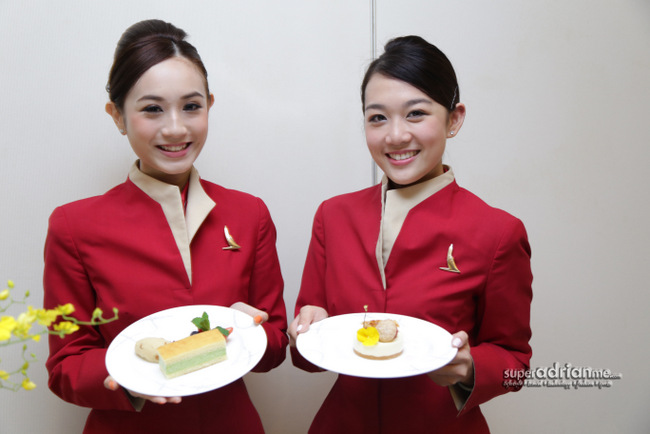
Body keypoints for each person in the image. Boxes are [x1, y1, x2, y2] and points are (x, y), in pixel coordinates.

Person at [44, 19, 287, 434]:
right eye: (152, 108)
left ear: (210, 105)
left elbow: (276, 343)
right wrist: (129, 379)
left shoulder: (250, 214)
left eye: (191, 106)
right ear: (118, 116)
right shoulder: (73, 226)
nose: (175, 128)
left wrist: (257, 332)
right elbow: (65, 364)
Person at [289, 35, 532, 433]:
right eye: (377, 117)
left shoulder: (498, 232)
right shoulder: (333, 216)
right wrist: (302, 333)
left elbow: (515, 363)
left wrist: (470, 366)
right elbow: (306, 355)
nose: (395, 136)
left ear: (454, 119)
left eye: (416, 114)